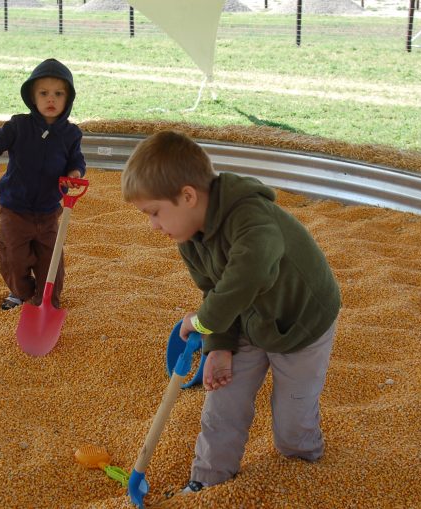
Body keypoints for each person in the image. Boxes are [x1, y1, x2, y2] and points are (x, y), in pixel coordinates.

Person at [121, 130, 341, 494]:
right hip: (247, 321)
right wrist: (218, 345)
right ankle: (208, 480)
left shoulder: (251, 216)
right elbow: (214, 290)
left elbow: (251, 271)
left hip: (301, 323)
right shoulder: (189, 237)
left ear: (188, 196)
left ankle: (304, 471)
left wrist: (204, 321)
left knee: (291, 420)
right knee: (222, 402)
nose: (153, 225)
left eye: (155, 213)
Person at [0, 58, 85, 310]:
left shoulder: (71, 134)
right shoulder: (19, 126)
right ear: (32, 97)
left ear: (68, 99)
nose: (50, 99)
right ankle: (21, 292)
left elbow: (76, 160)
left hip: (49, 210)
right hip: (15, 209)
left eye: (58, 93)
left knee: (50, 260)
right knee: (13, 256)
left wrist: (75, 172)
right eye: (43, 93)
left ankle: (46, 301)